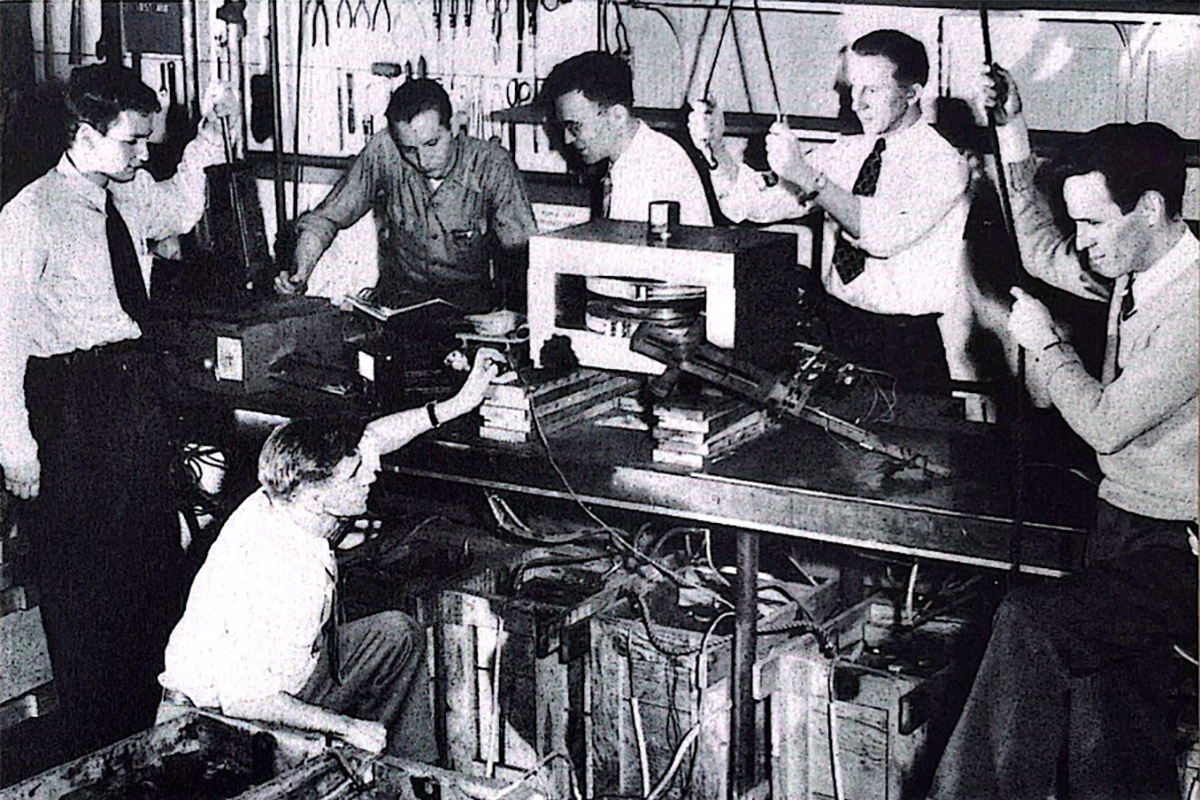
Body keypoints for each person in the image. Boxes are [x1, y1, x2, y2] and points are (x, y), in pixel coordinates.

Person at [929, 68, 1197, 800]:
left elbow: (1107, 426)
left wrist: (1046, 344)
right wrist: (1011, 127)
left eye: (1095, 224)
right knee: (1111, 727)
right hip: (1121, 524)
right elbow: (1036, 243)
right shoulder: (1134, 267)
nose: (1080, 243)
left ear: (1151, 207)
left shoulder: (1196, 308)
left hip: (1182, 549)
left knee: (1031, 624)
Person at [0, 64, 235, 757]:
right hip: (68, 408)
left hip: (133, 398)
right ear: (83, 134)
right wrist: (15, 447)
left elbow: (183, 206)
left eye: (147, 144)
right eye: (132, 142)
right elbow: (2, 339)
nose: (142, 156)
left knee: (153, 574)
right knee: (87, 593)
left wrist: (209, 136)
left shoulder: (128, 196)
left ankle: (152, 742)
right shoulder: (27, 216)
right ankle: (98, 751)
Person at [157, 349, 502, 756]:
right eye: (356, 474)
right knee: (333, 742)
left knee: (397, 635)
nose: (372, 472)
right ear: (317, 495)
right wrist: (348, 727)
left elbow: (374, 437)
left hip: (284, 676)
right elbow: (245, 698)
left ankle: (408, 779)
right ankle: (361, 758)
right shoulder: (285, 572)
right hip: (216, 720)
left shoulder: (290, 491)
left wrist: (462, 401)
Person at [689, 30, 980, 395]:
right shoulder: (845, 152)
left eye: (871, 90)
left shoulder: (942, 164)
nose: (857, 104)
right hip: (835, 332)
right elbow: (751, 205)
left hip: (904, 350)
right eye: (852, 88)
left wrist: (807, 177)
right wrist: (714, 149)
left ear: (912, 93)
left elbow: (881, 235)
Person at [276, 79, 537, 313]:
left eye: (432, 144)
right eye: (409, 150)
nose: (422, 161)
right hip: (401, 304)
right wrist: (300, 276)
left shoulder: (492, 164)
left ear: (456, 126)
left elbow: (522, 254)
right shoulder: (384, 150)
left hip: (471, 310)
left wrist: (514, 316)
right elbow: (326, 219)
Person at [541, 51, 713, 227]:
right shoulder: (642, 153)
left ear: (617, 116)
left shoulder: (647, 172)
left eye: (575, 126)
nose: (567, 139)